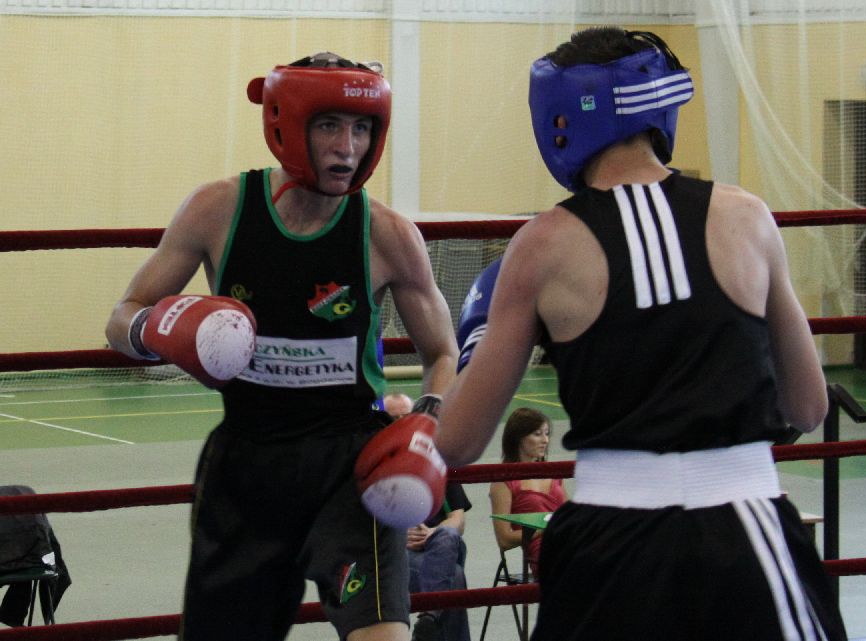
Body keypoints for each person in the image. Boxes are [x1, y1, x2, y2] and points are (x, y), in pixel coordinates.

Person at [435, 27, 846, 641]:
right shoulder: (747, 217)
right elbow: (808, 407)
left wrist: (461, 362)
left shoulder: (541, 246)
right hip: (748, 532)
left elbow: (459, 441)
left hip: (610, 543)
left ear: (557, 120)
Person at [105, 52, 458, 641]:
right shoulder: (218, 210)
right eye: (329, 126)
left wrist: (427, 419)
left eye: (362, 127)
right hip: (247, 466)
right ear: (286, 126)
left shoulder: (388, 234)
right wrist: (160, 328)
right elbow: (122, 316)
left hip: (352, 468)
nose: (348, 147)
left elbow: (443, 353)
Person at [489, 408, 565, 578]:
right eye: (537, 434)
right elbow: (504, 539)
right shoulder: (504, 481)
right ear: (519, 437)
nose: (545, 440)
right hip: (544, 553)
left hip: (567, 541)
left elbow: (568, 516)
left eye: (547, 434)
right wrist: (545, 528)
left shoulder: (555, 473)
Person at [406, 482, 472, 641]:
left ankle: (428, 616)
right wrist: (397, 534)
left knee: (448, 534)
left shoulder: (442, 469)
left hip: (440, 547)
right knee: (454, 576)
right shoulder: (383, 470)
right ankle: (429, 618)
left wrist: (433, 533)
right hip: (400, 551)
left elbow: (458, 520)